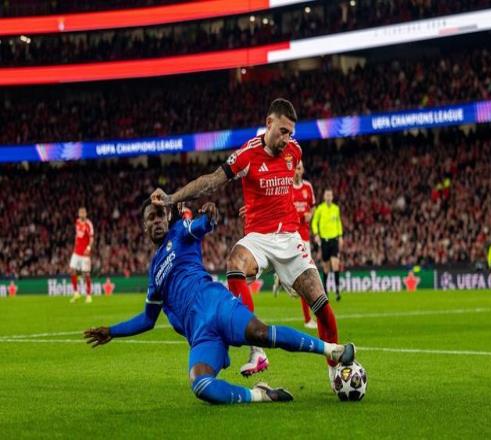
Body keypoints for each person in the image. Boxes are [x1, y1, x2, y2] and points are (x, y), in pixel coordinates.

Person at [150, 98, 342, 388]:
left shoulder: (295, 151)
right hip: (259, 239)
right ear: (269, 123)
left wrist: (257, 206)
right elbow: (211, 181)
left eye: (290, 133)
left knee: (322, 307)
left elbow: (284, 187)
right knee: (235, 262)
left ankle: (336, 372)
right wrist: (172, 198)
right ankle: (257, 351)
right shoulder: (247, 154)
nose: (286, 138)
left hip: (290, 239)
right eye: (282, 131)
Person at [84, 201, 355, 405]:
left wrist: (209, 215)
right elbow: (147, 319)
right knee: (200, 384)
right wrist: (112, 331)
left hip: (216, 304)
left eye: (159, 216)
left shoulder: (180, 232)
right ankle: (260, 395)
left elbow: (202, 225)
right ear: (144, 227)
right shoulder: (154, 274)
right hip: (200, 333)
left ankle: (332, 350)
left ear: (167, 219)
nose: (156, 222)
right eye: (150, 218)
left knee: (261, 333)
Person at [272, 160, 317, 329]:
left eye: (300, 168)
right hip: (290, 235)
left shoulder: (308, 187)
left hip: (304, 236)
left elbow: (313, 207)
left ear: (303, 170)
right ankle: (307, 319)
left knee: (304, 276)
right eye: (296, 168)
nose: (297, 171)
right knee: (306, 276)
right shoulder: (287, 188)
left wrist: (310, 215)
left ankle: (281, 277)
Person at [312, 189, 343, 301]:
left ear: (332, 197)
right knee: (326, 267)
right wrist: (316, 234)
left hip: (334, 239)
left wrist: (340, 236)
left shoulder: (336, 209)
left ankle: (337, 290)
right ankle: (325, 290)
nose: (329, 197)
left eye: (330, 195)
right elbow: (314, 222)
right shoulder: (320, 209)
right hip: (324, 240)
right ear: (324, 197)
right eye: (327, 195)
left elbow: (338, 223)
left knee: (335, 264)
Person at [69, 207, 94, 304]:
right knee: (72, 270)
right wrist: (75, 244)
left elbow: (91, 238)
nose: (82, 214)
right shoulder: (77, 222)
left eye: (83, 212)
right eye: (80, 212)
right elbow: (77, 235)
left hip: (85, 254)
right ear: (78, 214)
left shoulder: (89, 224)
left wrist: (88, 248)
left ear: (86, 214)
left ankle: (88, 296)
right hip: (76, 252)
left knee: (86, 274)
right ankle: (76, 293)